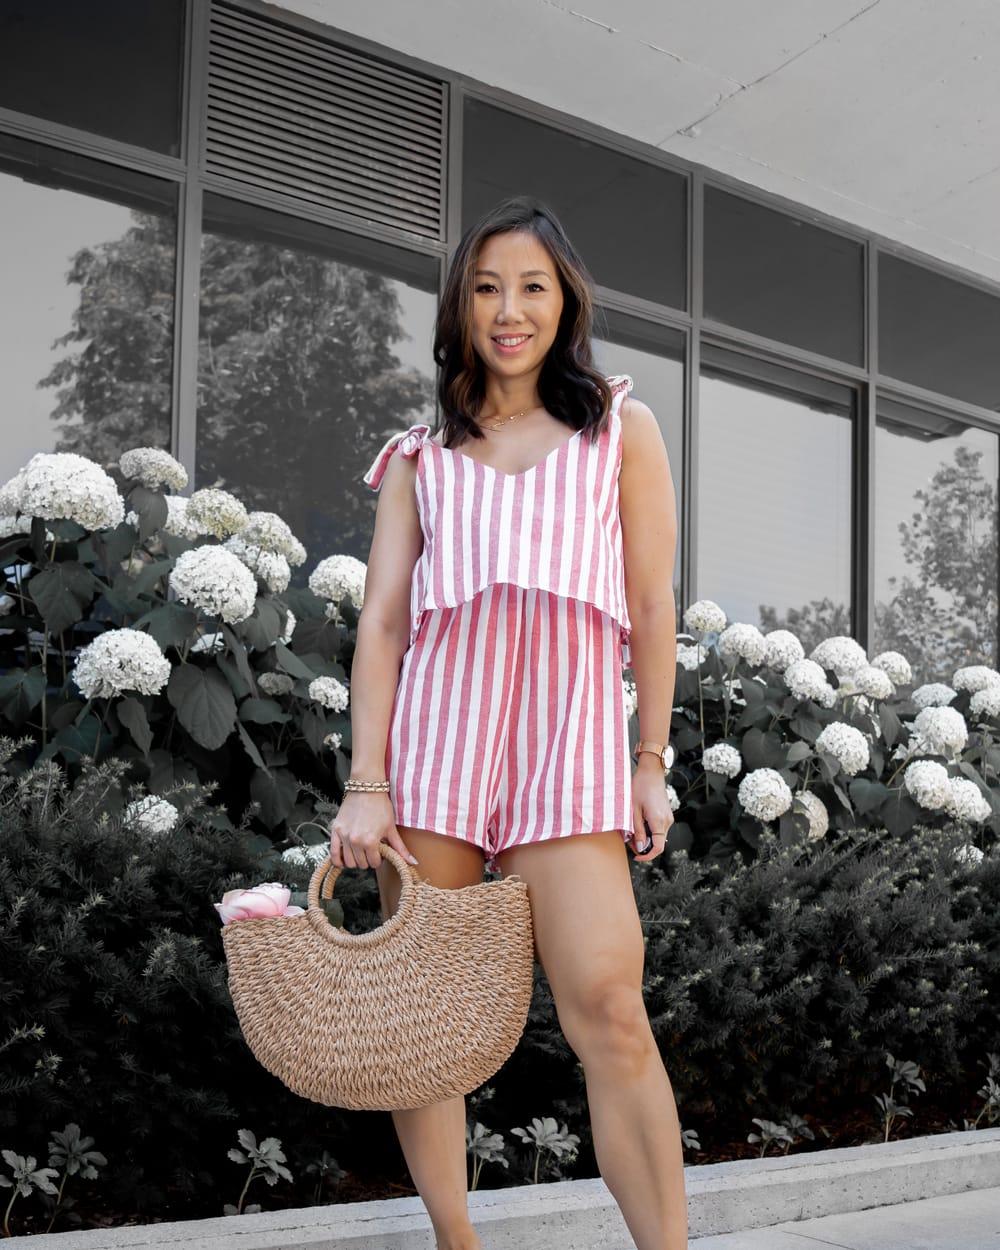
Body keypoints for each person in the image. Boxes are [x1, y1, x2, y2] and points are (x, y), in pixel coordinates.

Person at [330, 194, 685, 1250]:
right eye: (485, 287)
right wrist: (365, 778)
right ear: (459, 304)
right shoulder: (417, 454)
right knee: (425, 1018)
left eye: (531, 285)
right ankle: (457, 1239)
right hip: (434, 751)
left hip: (569, 749)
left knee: (610, 1010)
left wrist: (650, 757)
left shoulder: (621, 426)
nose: (508, 309)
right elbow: (384, 621)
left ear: (566, 299)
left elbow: (655, 603)